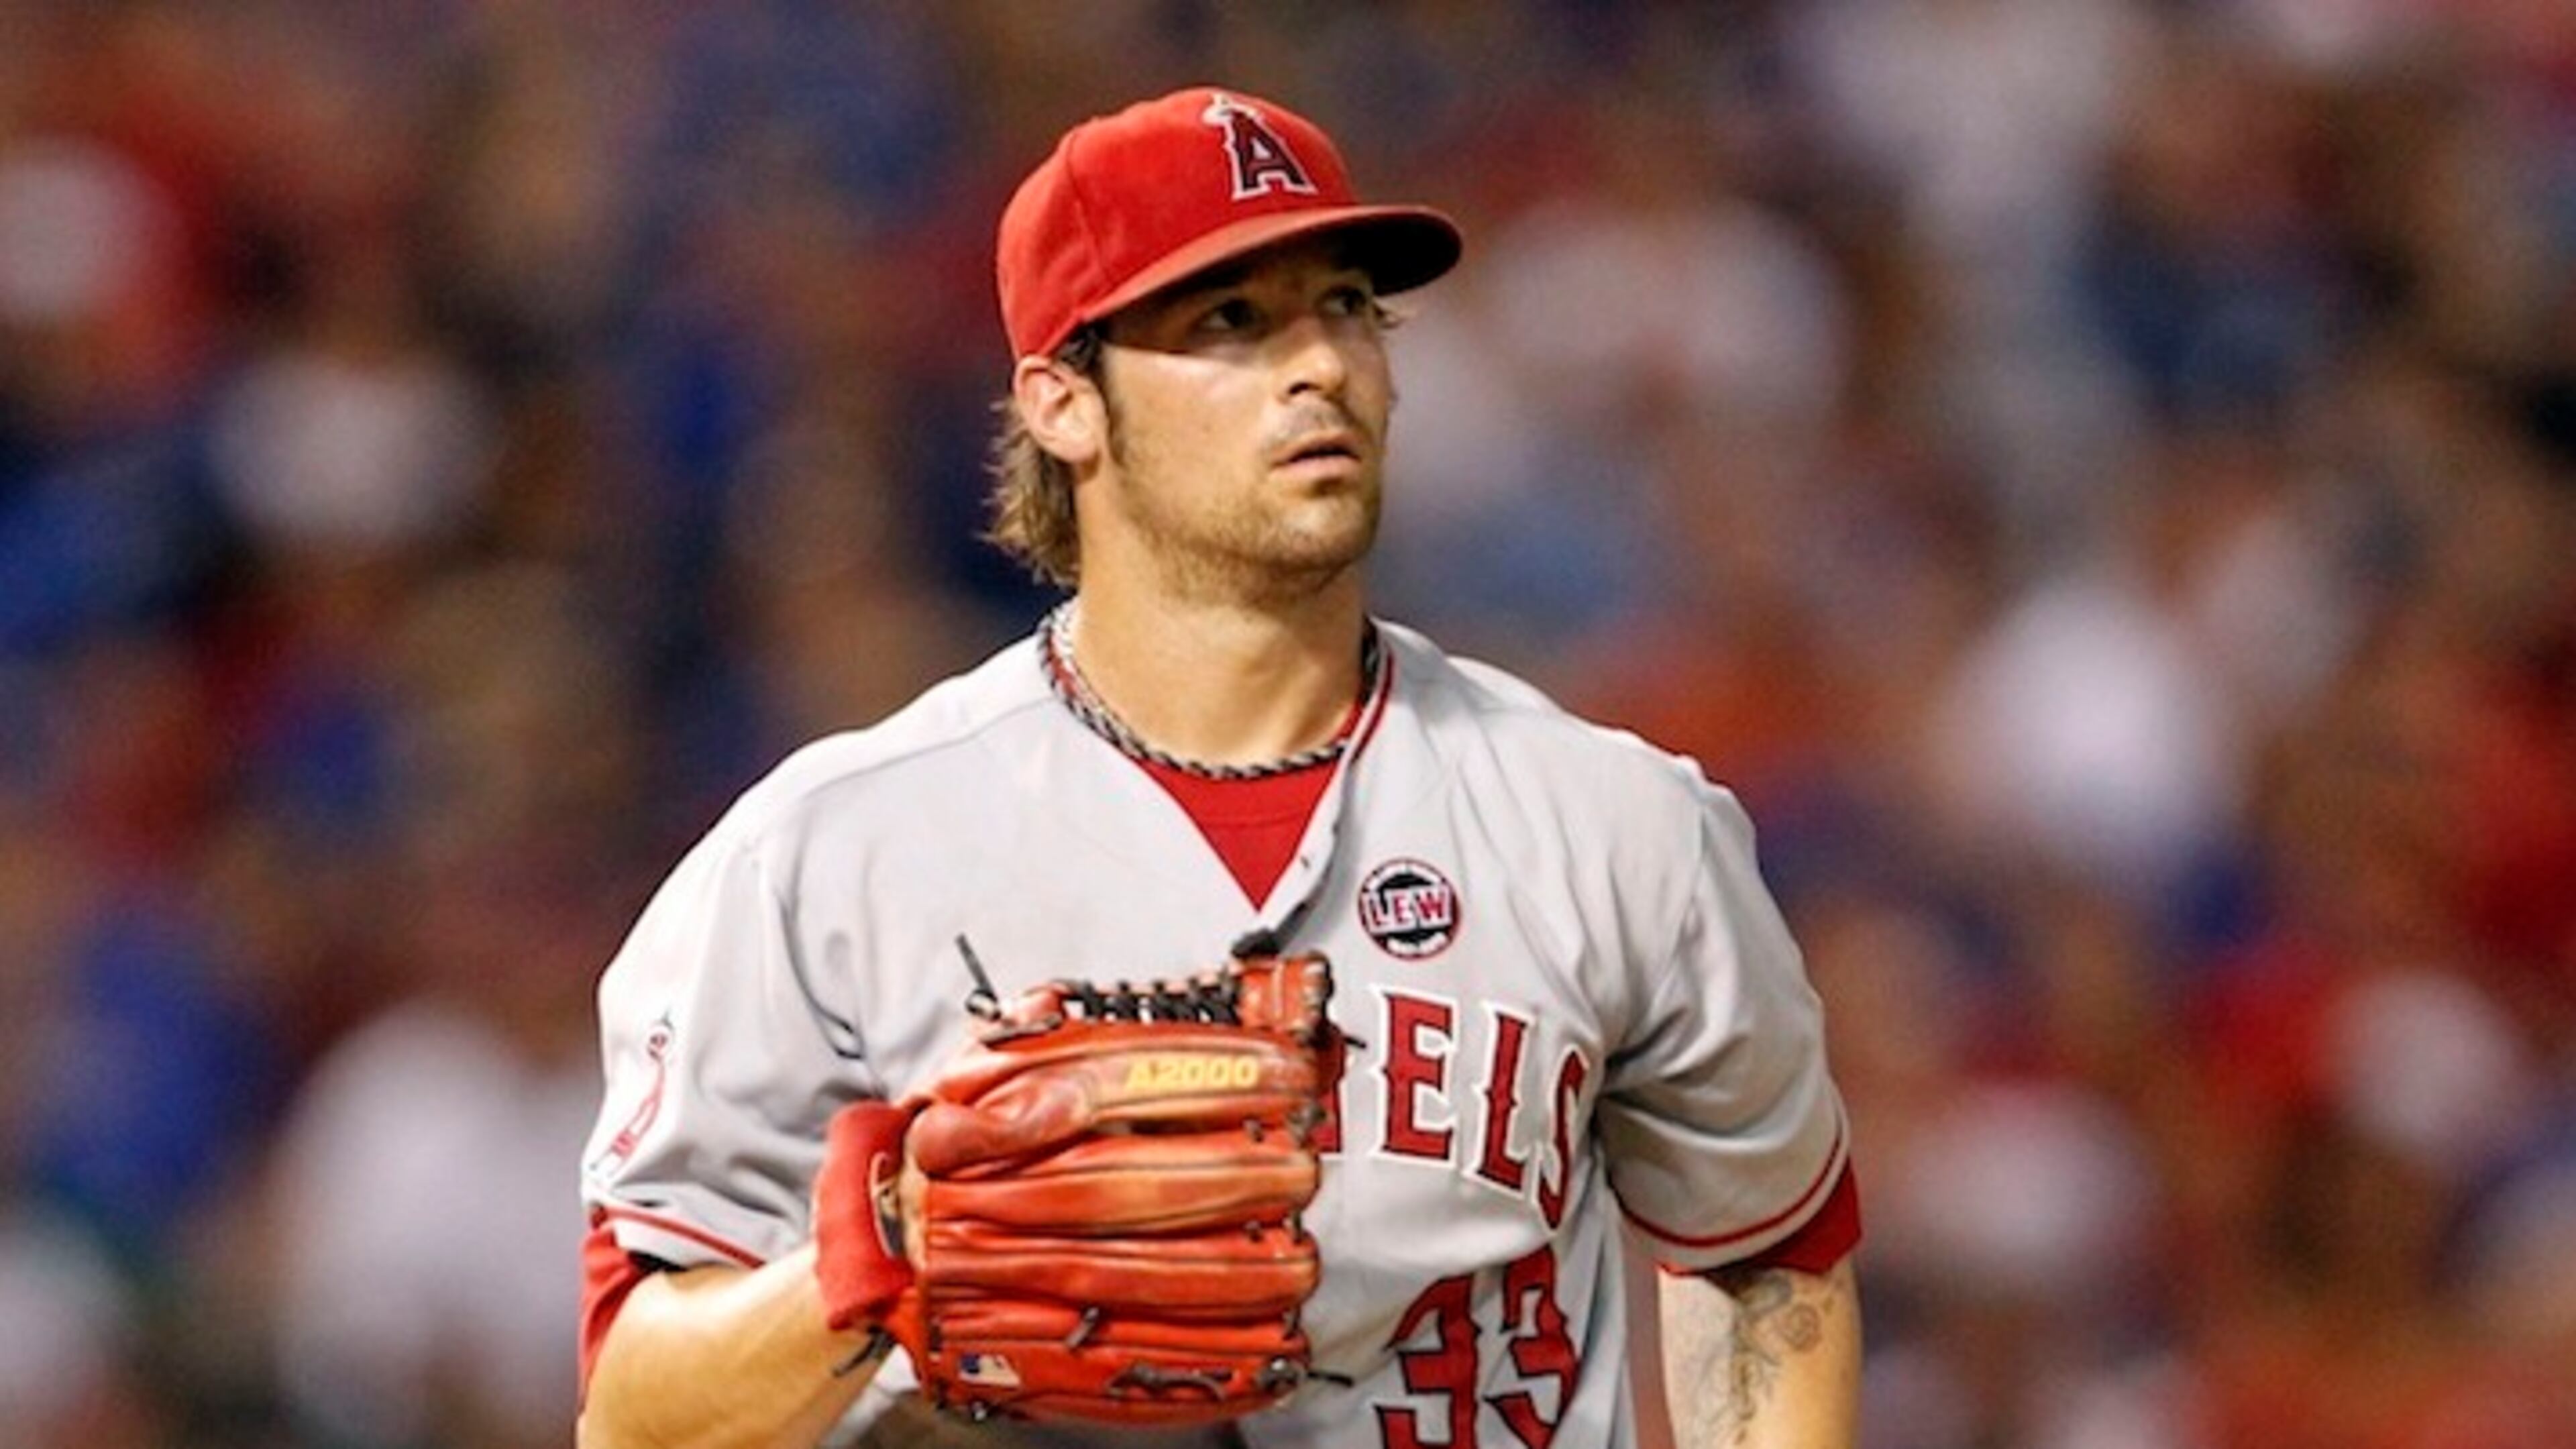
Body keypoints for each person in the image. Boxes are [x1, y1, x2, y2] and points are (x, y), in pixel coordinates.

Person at [575, 87, 1864, 1449]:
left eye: (1349, 306)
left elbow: (1765, 1253)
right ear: (1064, 403)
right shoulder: (825, 859)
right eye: (1233, 322)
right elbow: (637, 1417)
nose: (1322, 365)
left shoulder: (1614, 823)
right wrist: (879, 1265)